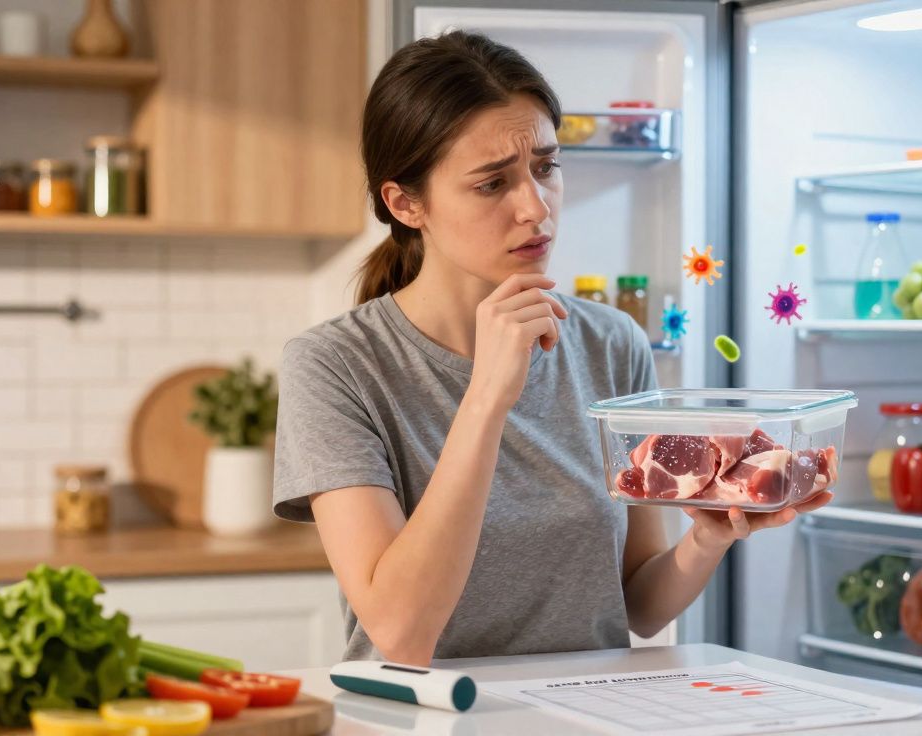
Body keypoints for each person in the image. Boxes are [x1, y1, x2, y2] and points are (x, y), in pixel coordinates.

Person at [272, 30, 831, 666]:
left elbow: (638, 604)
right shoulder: (336, 365)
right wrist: (487, 395)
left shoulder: (610, 342)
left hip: (585, 713)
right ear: (405, 203)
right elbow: (401, 631)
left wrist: (704, 541)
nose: (536, 207)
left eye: (546, 167)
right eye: (492, 184)